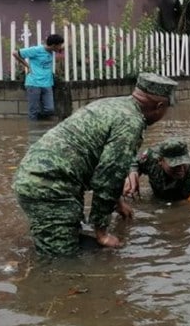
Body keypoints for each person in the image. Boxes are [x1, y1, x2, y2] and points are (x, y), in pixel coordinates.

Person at [12, 72, 177, 256]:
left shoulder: (113, 104)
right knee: (60, 261)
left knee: (66, 238)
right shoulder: (131, 123)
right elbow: (108, 178)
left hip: (37, 175)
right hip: (49, 187)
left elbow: (101, 164)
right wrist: (102, 232)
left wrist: (118, 203)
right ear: (160, 106)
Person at [125, 138, 190, 203]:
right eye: (175, 165)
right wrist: (133, 173)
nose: (181, 169)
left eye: (184, 163)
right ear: (160, 161)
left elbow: (189, 209)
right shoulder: (151, 157)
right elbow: (133, 160)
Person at [12, 33, 65, 120]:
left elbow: (62, 48)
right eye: (59, 45)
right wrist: (27, 66)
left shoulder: (52, 50)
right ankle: (34, 130)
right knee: (33, 112)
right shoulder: (36, 50)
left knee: (50, 109)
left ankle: (40, 124)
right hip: (34, 83)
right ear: (53, 45)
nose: (60, 47)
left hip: (47, 83)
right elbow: (15, 53)